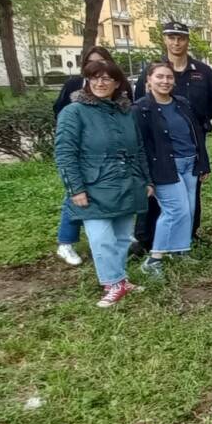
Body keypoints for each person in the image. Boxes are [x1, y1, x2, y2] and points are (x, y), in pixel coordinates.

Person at [54, 60, 151, 307]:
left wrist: (146, 179)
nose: (100, 83)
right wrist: (75, 188)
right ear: (87, 81)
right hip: (93, 186)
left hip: (127, 183)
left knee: (122, 237)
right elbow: (65, 153)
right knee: (101, 238)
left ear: (117, 83)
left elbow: (139, 148)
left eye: (107, 78)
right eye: (94, 77)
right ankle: (113, 282)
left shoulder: (125, 112)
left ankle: (120, 279)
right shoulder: (74, 112)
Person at [130, 22, 212, 254]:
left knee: (190, 197)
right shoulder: (151, 71)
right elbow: (140, 105)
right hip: (158, 147)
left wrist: (198, 123)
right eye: (171, 37)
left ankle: (187, 237)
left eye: (181, 38)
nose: (176, 42)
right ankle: (147, 239)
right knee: (157, 196)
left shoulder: (202, 71)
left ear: (187, 41)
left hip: (191, 141)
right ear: (165, 40)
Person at [133, 63, 210, 279]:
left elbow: (196, 134)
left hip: (190, 164)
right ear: (149, 80)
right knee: (175, 211)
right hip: (165, 167)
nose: (165, 81)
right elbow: (140, 146)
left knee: (189, 210)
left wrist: (203, 162)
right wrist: (146, 178)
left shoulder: (182, 103)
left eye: (169, 77)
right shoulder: (141, 109)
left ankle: (180, 250)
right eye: (159, 77)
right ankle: (154, 259)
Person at [53, 45, 122, 266]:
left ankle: (114, 237)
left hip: (108, 153)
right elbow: (61, 111)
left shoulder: (115, 85)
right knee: (76, 195)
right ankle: (66, 241)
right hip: (83, 152)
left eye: (101, 61)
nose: (97, 67)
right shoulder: (74, 85)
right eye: (91, 62)